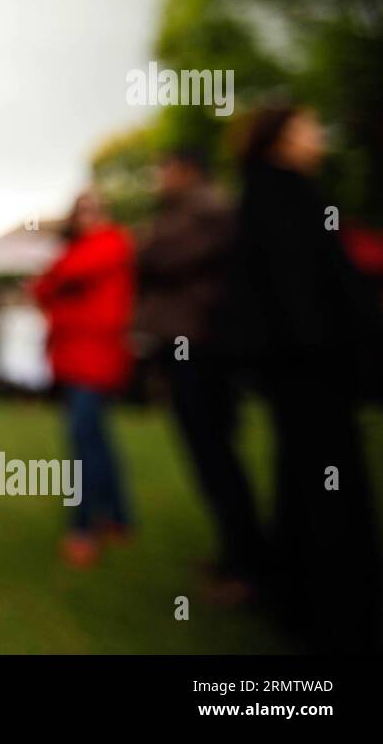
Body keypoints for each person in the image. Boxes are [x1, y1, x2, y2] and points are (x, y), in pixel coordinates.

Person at [233, 102, 382, 651]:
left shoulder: (278, 195)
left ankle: (303, 597)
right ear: (279, 139)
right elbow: (304, 295)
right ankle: (334, 610)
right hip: (311, 371)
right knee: (327, 483)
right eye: (307, 127)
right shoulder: (281, 198)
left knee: (306, 480)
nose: (318, 136)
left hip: (302, 370)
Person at [138, 148, 266, 598]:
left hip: (202, 346)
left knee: (215, 452)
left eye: (165, 169)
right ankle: (235, 553)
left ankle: (247, 564)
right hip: (189, 344)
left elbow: (156, 257)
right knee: (207, 453)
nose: (159, 177)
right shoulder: (190, 210)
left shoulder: (208, 209)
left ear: (187, 171)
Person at [33, 191, 135, 567]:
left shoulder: (110, 243)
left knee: (84, 445)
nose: (88, 217)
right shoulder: (85, 249)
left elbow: (64, 274)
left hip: (94, 361)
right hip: (76, 360)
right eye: (82, 211)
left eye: (95, 209)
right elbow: (43, 288)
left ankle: (83, 528)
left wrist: (59, 274)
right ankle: (118, 517)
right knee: (97, 441)